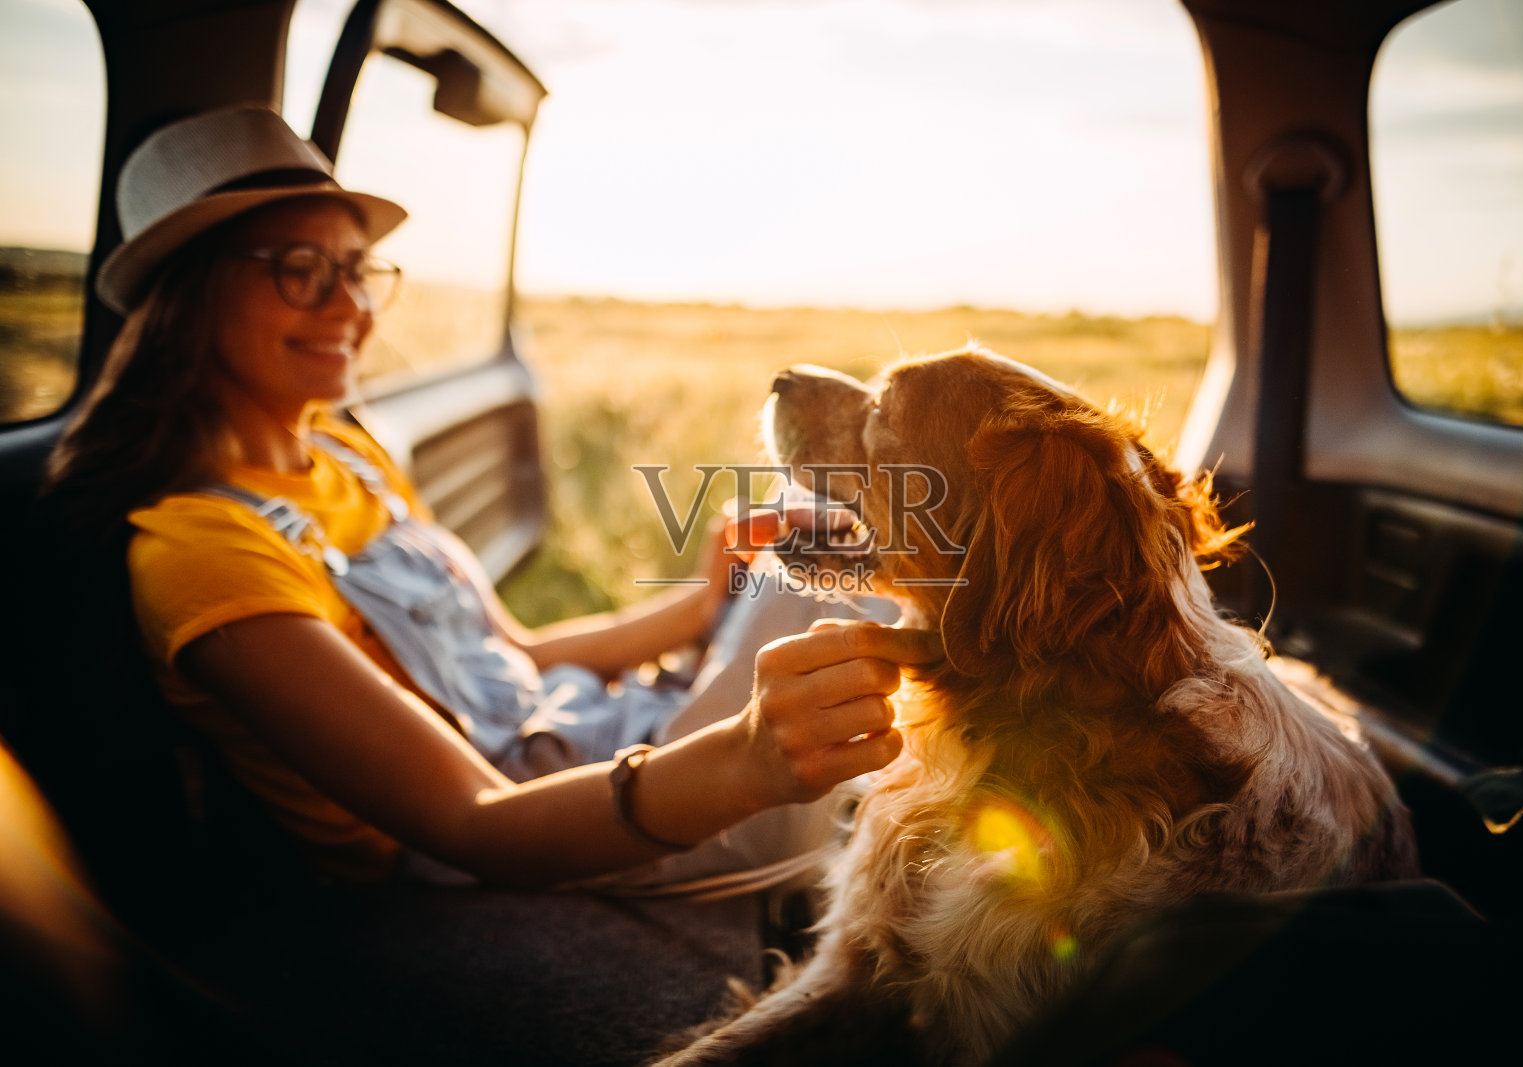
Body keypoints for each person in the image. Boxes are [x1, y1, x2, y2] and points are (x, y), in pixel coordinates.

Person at [39, 103, 939, 893]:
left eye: (358, 268)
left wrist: (703, 605)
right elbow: (478, 822)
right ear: (186, 293)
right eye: (299, 267)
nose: (349, 303)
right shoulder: (202, 551)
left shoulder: (345, 456)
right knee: (853, 540)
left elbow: (513, 654)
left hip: (604, 734)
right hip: (568, 829)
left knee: (826, 538)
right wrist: (743, 758)